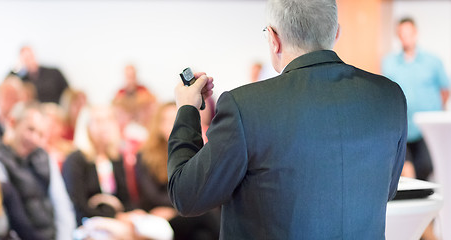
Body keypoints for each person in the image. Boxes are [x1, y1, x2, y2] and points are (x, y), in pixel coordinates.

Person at [168, 0, 407, 239]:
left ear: (273, 39)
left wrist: (187, 109)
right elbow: (386, 189)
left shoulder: (246, 105)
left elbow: (186, 196)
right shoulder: (389, 96)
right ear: (336, 33)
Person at [0, 102, 76, 240]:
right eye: (30, 130)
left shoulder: (44, 158)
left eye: (41, 134)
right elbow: (10, 219)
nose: (34, 139)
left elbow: (63, 207)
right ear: (12, 123)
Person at [136, 102, 219, 240]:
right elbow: (152, 195)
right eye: (168, 121)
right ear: (159, 125)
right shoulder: (145, 155)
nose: (172, 126)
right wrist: (181, 205)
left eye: (176, 120)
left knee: (202, 236)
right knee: (207, 215)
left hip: (185, 211)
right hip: (159, 215)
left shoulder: (190, 152)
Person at [382, 17, 449, 181]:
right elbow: (387, 92)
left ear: (415, 34)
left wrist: (435, 110)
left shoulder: (432, 61)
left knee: (426, 167)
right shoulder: (389, 63)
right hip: (402, 127)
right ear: (398, 36)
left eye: (408, 33)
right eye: (402, 34)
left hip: (425, 131)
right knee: (404, 172)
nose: (405, 37)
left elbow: (445, 89)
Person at [62, 105, 132, 226]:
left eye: (109, 120)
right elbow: (79, 206)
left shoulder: (115, 157)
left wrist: (132, 213)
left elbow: (125, 199)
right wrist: (114, 215)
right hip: (89, 222)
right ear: (86, 126)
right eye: (98, 121)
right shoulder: (75, 160)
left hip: (116, 220)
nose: (105, 126)